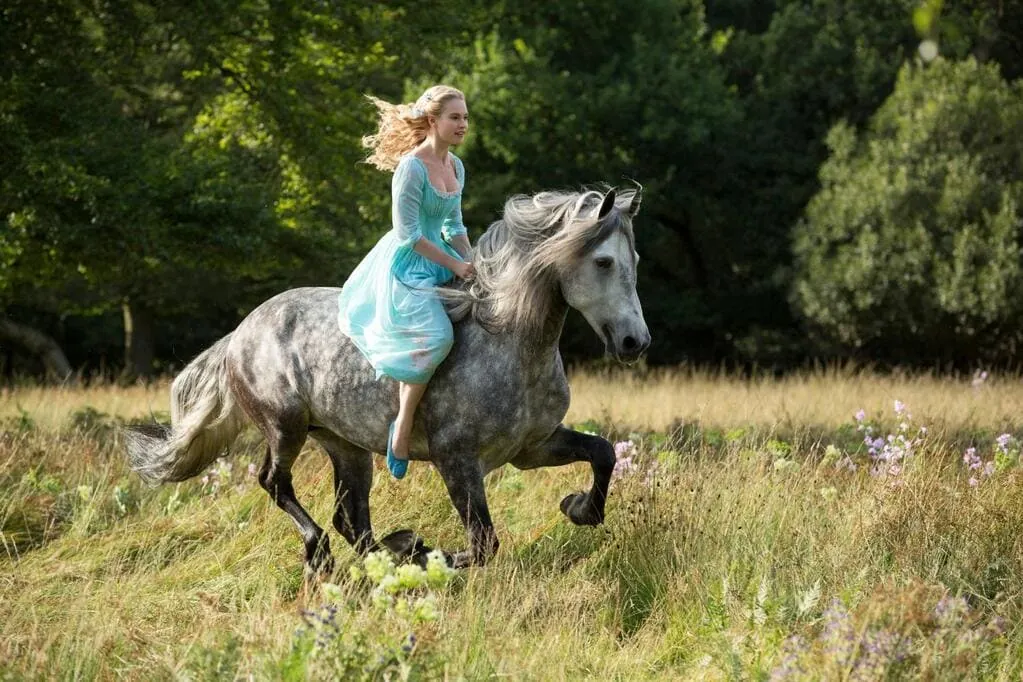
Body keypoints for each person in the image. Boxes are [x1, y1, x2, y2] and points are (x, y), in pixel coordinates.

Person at [338, 85, 475, 479]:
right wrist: (455, 263)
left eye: (465, 117)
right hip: (409, 266)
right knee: (438, 337)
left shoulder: (457, 167)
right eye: (455, 117)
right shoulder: (411, 168)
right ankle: (402, 423)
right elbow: (410, 235)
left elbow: (454, 224)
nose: (462, 124)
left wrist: (473, 261)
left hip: (447, 261)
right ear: (433, 121)